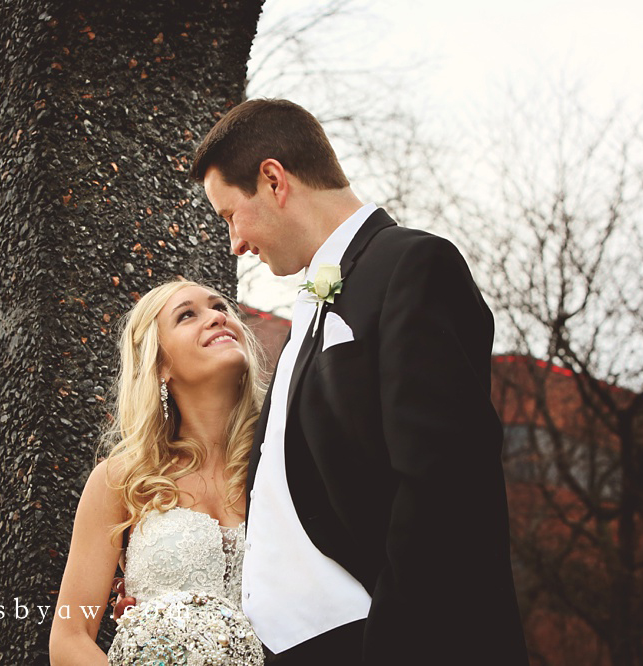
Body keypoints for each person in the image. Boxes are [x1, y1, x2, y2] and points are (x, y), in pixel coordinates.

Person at [188, 98, 530, 664]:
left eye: (230, 215)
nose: (235, 243)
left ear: (273, 179)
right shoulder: (316, 298)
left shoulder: (413, 266)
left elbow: (444, 488)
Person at [48, 279, 267, 665]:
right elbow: (69, 637)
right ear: (160, 363)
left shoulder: (279, 462)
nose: (218, 317)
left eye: (221, 307)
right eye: (187, 315)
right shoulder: (121, 480)